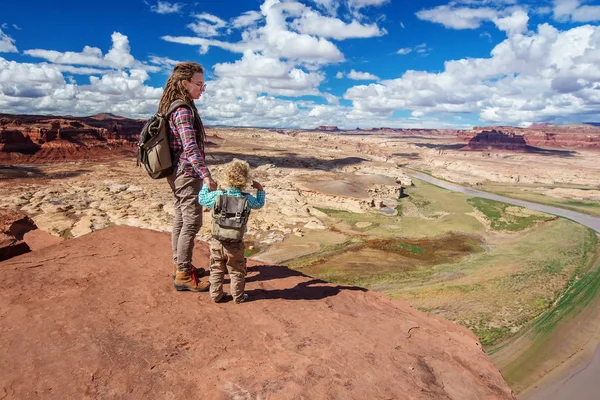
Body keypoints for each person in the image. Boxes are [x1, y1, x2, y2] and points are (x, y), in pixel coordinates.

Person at [158, 61, 217, 292]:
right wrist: (206, 176)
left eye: (204, 85)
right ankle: (182, 274)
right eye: (199, 84)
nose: (202, 89)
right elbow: (190, 147)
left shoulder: (174, 105)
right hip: (186, 173)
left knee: (181, 218)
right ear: (185, 83)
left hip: (177, 172)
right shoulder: (182, 110)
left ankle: (181, 265)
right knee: (192, 221)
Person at [198, 159, 265, 303]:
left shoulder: (218, 195)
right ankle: (238, 297)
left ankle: (216, 295)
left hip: (217, 240)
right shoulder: (246, 198)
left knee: (216, 268)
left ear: (226, 176)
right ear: (245, 179)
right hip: (236, 242)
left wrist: (206, 186)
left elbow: (202, 199)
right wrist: (260, 189)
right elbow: (259, 204)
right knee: (236, 270)